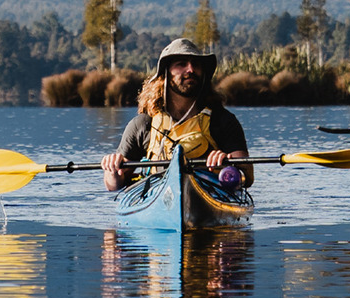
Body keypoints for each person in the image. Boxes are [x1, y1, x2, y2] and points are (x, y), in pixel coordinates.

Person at [101, 38, 251, 191]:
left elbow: (246, 177)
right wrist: (112, 171)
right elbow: (113, 186)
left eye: (196, 64)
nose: (190, 69)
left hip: (210, 194)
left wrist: (228, 167)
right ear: (166, 73)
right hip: (157, 198)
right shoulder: (142, 124)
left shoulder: (223, 121)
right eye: (181, 64)